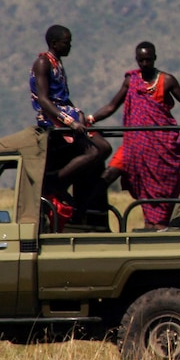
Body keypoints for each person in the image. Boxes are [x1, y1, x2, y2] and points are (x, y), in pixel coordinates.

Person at [88, 42, 180, 230]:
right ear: (136, 60)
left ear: (155, 58)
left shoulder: (167, 80)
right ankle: (89, 218)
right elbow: (112, 106)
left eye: (148, 60)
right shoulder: (131, 81)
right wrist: (91, 119)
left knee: (163, 187)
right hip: (134, 146)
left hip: (161, 146)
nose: (145, 64)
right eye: (141, 60)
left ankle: (159, 226)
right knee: (109, 174)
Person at [30, 24, 112, 231]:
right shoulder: (43, 62)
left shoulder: (58, 64)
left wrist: (79, 116)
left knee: (104, 147)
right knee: (98, 148)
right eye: (67, 42)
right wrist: (70, 121)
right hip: (53, 118)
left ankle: (65, 184)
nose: (70, 46)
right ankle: (56, 182)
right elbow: (44, 100)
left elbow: (63, 97)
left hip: (67, 114)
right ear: (54, 43)